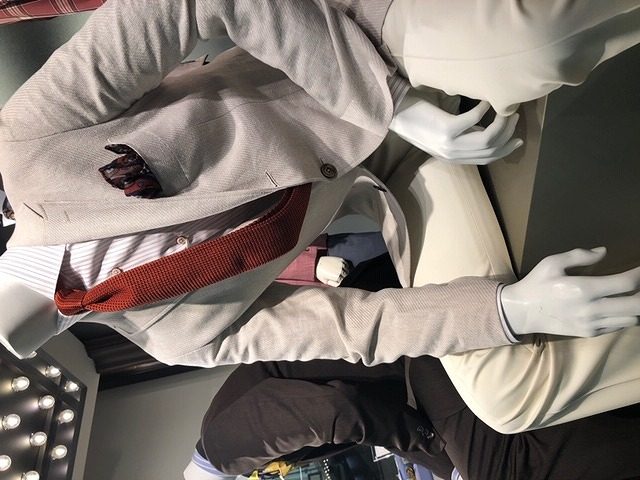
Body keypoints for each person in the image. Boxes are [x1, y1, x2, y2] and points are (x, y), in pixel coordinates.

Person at [1, 0, 639, 426]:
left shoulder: (29, 149)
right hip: (381, 173)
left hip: (351, 52)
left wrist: (395, 106)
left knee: (529, 45)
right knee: (510, 397)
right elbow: (357, 329)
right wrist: (510, 311)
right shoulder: (177, 338)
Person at [191, 355, 640, 480]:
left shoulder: (223, 451)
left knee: (503, 472)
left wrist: (429, 444)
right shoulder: (222, 443)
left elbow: (338, 410)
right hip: (408, 379)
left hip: (417, 367)